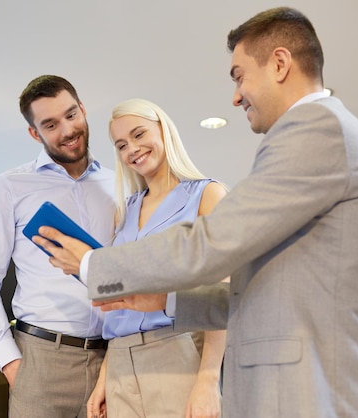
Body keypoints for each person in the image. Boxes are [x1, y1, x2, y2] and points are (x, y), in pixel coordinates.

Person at [33, 7, 358, 418]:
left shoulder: (317, 129)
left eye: (240, 76)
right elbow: (256, 291)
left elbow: (212, 241)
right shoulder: (321, 131)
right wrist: (163, 299)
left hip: (320, 391)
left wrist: (92, 265)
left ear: (280, 63)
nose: (236, 95)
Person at [0, 75, 116, 418]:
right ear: (35, 133)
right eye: (50, 124)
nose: (67, 130)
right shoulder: (12, 186)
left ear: (84, 111)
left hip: (112, 360)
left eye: (71, 115)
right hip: (41, 360)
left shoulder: (118, 184)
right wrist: (11, 363)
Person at [86, 98, 227, 418]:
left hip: (176, 354)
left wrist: (208, 379)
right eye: (121, 144)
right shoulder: (125, 212)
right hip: (120, 362)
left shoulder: (207, 195)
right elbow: (118, 308)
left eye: (138, 134)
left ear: (164, 130)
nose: (131, 149)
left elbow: (224, 295)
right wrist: (105, 379)